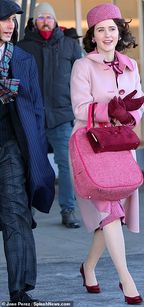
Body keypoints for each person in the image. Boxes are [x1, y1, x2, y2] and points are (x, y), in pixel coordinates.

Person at [70, 3, 144, 305]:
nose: (107, 34)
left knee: (114, 214)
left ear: (120, 31)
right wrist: (108, 111)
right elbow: (78, 107)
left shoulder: (131, 65)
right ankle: (126, 279)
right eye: (100, 30)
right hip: (92, 145)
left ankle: (88, 267)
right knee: (110, 213)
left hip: (121, 146)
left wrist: (128, 114)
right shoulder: (83, 66)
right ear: (92, 36)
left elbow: (138, 105)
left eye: (112, 28)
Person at [0, 0, 55, 303]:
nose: (10, 25)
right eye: (4, 20)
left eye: (13, 20)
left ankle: (19, 290)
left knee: (16, 216)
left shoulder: (22, 59)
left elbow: (36, 108)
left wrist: (37, 149)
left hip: (11, 148)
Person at [17, 2, 82, 228]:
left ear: (55, 21)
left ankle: (68, 210)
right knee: (32, 165)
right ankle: (30, 211)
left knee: (66, 165)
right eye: (41, 17)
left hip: (62, 117)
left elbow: (81, 81)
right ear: (34, 21)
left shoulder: (70, 46)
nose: (45, 20)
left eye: (49, 17)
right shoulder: (23, 46)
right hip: (32, 118)